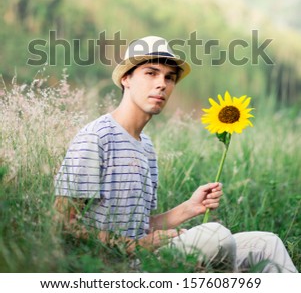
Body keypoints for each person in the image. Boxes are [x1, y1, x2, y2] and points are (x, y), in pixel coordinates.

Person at [54, 35, 297, 272]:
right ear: (126, 79)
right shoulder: (97, 137)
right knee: (217, 236)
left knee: (267, 243)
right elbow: (64, 224)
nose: (162, 83)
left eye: (169, 78)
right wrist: (133, 246)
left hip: (144, 254)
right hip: (116, 266)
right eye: (151, 73)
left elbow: (140, 226)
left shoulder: (145, 145)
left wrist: (189, 208)